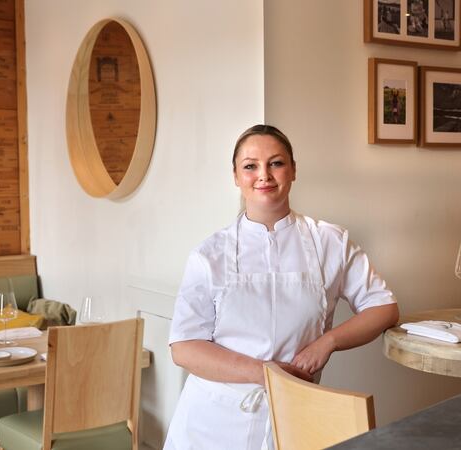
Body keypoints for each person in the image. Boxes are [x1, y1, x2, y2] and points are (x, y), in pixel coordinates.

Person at [165, 125, 399, 449]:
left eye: (275, 163)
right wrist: (264, 372)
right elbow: (184, 346)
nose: (264, 175)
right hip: (212, 422)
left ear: (293, 170)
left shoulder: (329, 242)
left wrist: (327, 342)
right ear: (236, 176)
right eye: (250, 166)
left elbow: (384, 308)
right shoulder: (209, 255)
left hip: (294, 414)